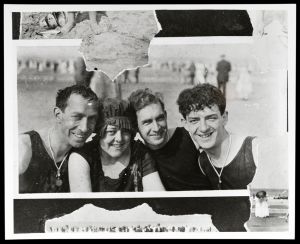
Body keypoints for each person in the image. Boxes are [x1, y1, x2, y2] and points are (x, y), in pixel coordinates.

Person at [176, 83, 259, 231]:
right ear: (185, 124)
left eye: (211, 118)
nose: (203, 128)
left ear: (224, 117)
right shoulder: (203, 162)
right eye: (194, 120)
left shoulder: (253, 149)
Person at [68, 98, 165, 192]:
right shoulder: (82, 157)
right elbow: (83, 206)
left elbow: (158, 198)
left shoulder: (140, 153)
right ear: (99, 133)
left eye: (125, 131)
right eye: (111, 131)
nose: (119, 138)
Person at [18, 85, 99, 193]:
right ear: (58, 115)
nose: (84, 128)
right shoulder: (22, 147)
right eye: (77, 117)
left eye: (92, 118)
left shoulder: (84, 155)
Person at [128, 88, 212, 191]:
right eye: (147, 122)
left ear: (166, 116)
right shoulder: (140, 154)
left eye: (160, 118)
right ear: (135, 126)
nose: (156, 128)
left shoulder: (188, 136)